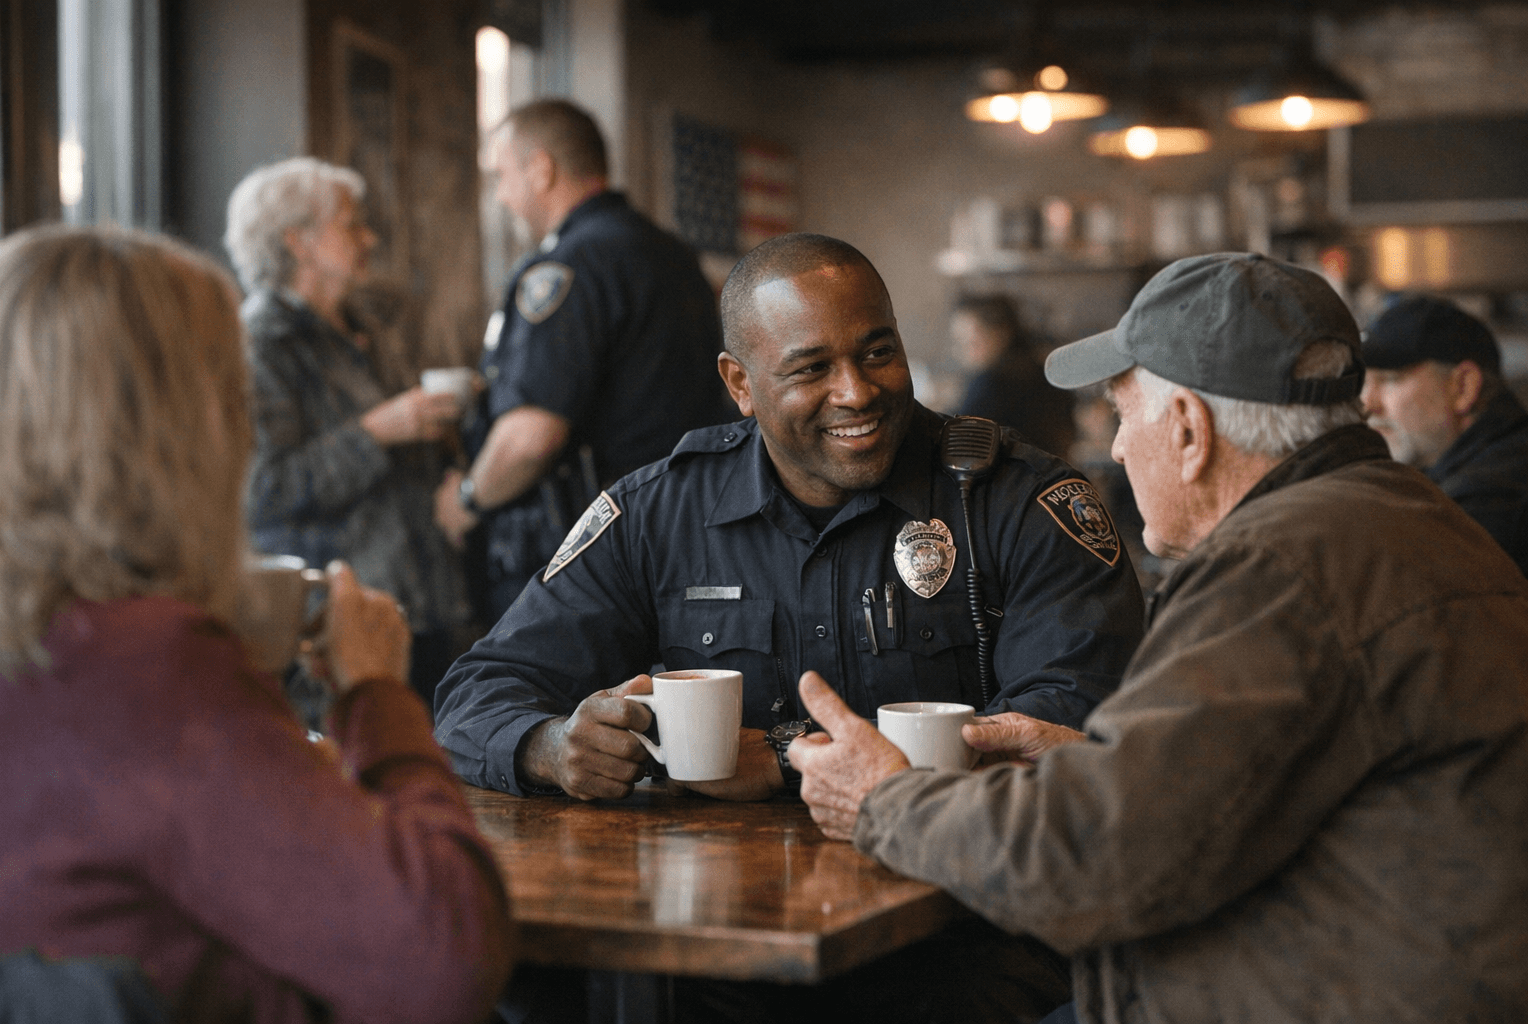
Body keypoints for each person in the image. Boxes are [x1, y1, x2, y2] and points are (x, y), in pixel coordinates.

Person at [790, 252, 1528, 1024]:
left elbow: (1096, 862)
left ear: (1187, 431)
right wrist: (1093, 763)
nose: (1113, 450)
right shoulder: (1402, 517)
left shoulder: (1280, 567)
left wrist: (884, 801)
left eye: (1119, 415)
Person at [435, 233, 1145, 1024]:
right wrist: (552, 745)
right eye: (811, 369)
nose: (857, 392)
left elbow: (1069, 729)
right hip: (720, 954)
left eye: (878, 353)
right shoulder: (657, 511)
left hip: (964, 941)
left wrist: (785, 756)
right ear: (739, 384)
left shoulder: (1019, 501)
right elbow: (476, 692)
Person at [0, 225, 514, 1023]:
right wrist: (374, 689)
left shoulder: (51, 644)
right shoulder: (147, 666)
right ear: (187, 423)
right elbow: (444, 958)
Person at [434, 99, 730, 622]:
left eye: (502, 176)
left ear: (541, 169)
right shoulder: (673, 254)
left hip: (592, 556)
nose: (501, 195)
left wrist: (466, 500)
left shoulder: (568, 267)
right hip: (687, 530)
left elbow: (531, 436)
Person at [226, 157, 473, 712]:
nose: (370, 237)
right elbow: (265, 491)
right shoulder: (260, 342)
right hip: (334, 628)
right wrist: (380, 430)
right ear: (300, 242)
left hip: (418, 603)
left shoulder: (362, 326)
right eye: (351, 223)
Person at [1360, 294, 1528, 574]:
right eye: (1365, 383)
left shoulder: (1487, 504)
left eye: (1390, 380)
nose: (1368, 404)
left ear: (1463, 387)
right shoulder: (1458, 474)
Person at [952, 293, 1075, 458]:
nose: (961, 354)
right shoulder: (1044, 372)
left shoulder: (991, 384)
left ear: (1001, 333)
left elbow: (960, 441)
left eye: (971, 343)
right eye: (958, 343)